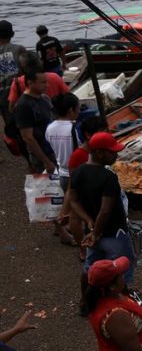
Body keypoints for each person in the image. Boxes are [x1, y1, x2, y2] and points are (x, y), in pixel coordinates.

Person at [67, 132, 137, 302]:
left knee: (89, 269)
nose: (116, 155)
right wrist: (96, 231)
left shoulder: (78, 172)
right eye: (112, 152)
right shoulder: (108, 177)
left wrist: (89, 222)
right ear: (99, 153)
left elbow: (73, 201)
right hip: (113, 233)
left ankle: (86, 303)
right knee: (119, 269)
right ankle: (125, 303)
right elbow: (105, 211)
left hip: (93, 233)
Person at [44, 92, 82, 247]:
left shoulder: (50, 128)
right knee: (76, 213)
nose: (79, 112)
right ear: (71, 110)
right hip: (76, 175)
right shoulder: (74, 129)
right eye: (78, 108)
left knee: (71, 208)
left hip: (61, 173)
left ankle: (66, 229)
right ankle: (82, 244)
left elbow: (51, 148)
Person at [14, 69, 56, 175]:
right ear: (30, 83)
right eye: (42, 82)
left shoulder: (44, 98)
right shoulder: (23, 105)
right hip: (41, 154)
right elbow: (28, 137)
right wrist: (46, 161)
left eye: (46, 82)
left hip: (53, 149)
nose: (46, 85)